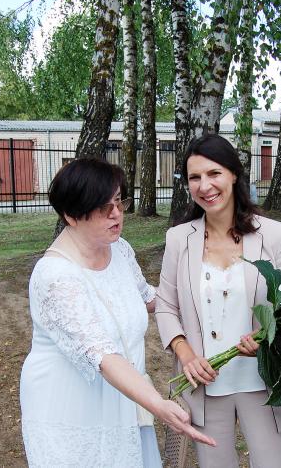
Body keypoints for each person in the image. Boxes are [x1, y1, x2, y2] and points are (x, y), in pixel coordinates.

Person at [20, 158, 215, 467]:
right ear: (71, 215)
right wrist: (158, 405)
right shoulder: (55, 276)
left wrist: (208, 297)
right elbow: (102, 355)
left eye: (119, 202)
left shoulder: (119, 248)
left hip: (124, 395)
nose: (116, 214)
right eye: (103, 207)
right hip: (72, 408)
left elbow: (147, 297)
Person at [155, 134, 281, 468]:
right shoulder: (178, 239)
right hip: (205, 386)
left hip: (263, 384)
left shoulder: (274, 235)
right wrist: (187, 355)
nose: (205, 186)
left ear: (234, 174)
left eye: (214, 173)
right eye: (195, 177)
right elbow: (166, 306)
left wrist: (266, 338)